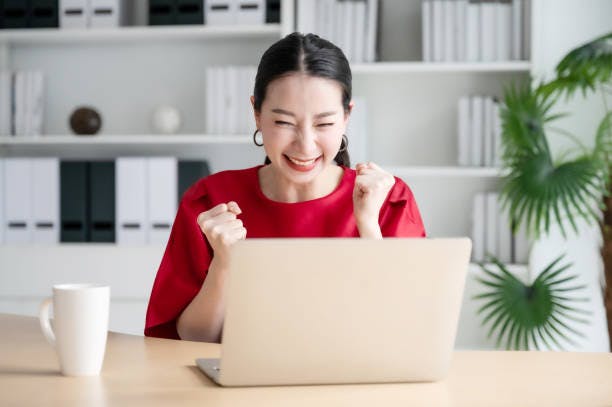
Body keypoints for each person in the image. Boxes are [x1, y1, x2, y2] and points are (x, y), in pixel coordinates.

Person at [145, 32, 426, 342]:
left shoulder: (387, 199)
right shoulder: (210, 201)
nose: (305, 145)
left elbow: (408, 330)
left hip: (354, 387)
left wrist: (369, 230)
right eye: (284, 122)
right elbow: (190, 340)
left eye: (324, 124)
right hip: (239, 387)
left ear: (347, 117)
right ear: (257, 114)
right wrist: (224, 265)